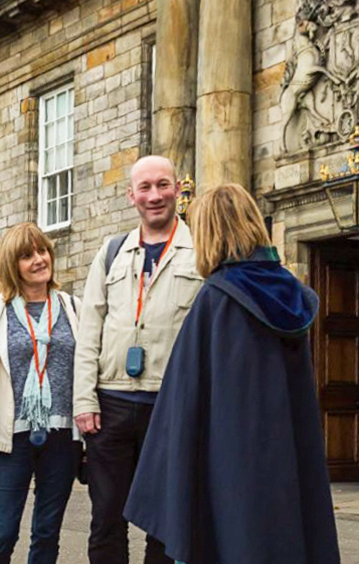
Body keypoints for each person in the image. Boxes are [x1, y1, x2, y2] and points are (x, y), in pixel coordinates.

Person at [124, 183, 340, 564]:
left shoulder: (218, 298)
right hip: (286, 455)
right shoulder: (290, 293)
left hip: (227, 465)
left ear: (210, 233)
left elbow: (185, 399)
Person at [73, 155, 201, 564]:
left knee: (164, 522)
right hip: (111, 404)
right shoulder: (111, 252)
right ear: (131, 196)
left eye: (163, 185)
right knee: (106, 517)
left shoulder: (201, 251)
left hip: (170, 403)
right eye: (145, 188)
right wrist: (84, 400)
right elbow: (89, 329)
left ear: (178, 190)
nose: (155, 195)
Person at [0, 222, 82, 564]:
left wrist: (87, 441)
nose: (38, 260)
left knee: (47, 534)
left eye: (42, 251)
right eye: (27, 255)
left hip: (62, 438)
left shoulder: (73, 308)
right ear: (12, 265)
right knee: (2, 534)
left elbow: (87, 372)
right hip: (9, 440)